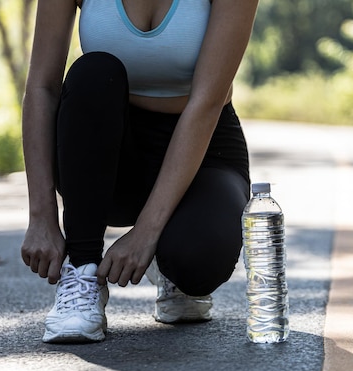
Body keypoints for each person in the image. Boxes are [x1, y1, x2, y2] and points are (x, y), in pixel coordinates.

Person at [20, 0, 259, 343]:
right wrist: (40, 217)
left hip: (203, 146)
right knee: (93, 72)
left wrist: (146, 231)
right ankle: (82, 272)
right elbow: (42, 88)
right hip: (108, 150)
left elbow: (206, 101)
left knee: (199, 261)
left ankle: (171, 265)